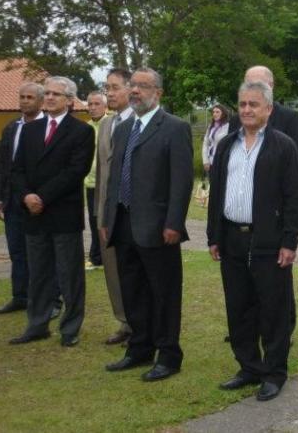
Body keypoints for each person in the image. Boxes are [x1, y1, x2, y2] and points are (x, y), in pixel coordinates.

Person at [207, 81, 298, 401]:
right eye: (243, 104)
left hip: (269, 241)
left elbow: (293, 197)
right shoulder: (226, 145)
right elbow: (216, 192)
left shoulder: (283, 146)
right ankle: (248, 367)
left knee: (273, 309)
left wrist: (289, 241)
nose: (246, 110)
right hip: (231, 238)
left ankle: (274, 373)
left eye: (254, 104)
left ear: (269, 109)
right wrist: (213, 236)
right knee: (239, 306)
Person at [101, 67, 193, 382]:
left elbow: (181, 181)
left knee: (164, 294)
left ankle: (168, 355)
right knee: (133, 290)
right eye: (133, 85)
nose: (136, 90)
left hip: (158, 227)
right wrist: (108, 218)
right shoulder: (124, 128)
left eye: (143, 85)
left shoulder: (175, 128)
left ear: (158, 93)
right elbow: (114, 179)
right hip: (124, 223)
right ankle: (139, 348)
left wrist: (174, 223)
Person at [9, 77, 95, 347]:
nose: (49, 97)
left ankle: (70, 328)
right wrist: (26, 196)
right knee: (38, 273)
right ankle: (37, 325)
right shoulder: (30, 130)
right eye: (46, 93)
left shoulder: (81, 132)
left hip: (63, 214)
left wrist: (42, 197)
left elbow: (76, 171)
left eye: (56, 94)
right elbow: (17, 169)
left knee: (70, 275)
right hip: (34, 215)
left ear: (69, 100)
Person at [0, 82, 44, 314]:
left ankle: (45, 298)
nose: (24, 101)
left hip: (38, 202)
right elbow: (2, 166)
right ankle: (20, 296)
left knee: (41, 254)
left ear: (40, 101)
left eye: (30, 97)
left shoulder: (48, 127)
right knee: (17, 251)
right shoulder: (11, 128)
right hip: (12, 202)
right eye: (22, 97)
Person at [95, 68, 135, 345]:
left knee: (134, 271)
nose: (109, 93)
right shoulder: (106, 125)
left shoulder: (140, 123)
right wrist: (100, 214)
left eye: (114, 87)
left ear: (131, 89)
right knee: (112, 269)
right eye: (106, 87)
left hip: (131, 211)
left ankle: (141, 322)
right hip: (107, 212)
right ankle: (124, 321)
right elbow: (102, 173)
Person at [228, 65, 298, 159]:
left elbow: (295, 160)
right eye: (248, 84)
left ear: (271, 86)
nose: (251, 89)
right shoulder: (236, 120)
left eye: (257, 85)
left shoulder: (289, 118)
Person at [84, 91, 107, 267]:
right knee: (94, 221)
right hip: (90, 183)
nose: (92, 107)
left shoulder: (112, 124)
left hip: (107, 183)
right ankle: (96, 256)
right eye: (90, 104)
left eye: (96, 104)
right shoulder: (86, 128)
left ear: (105, 106)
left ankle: (106, 255)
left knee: (106, 220)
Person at [201, 104, 230, 173]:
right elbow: (205, 144)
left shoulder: (228, 127)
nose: (214, 114)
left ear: (223, 113)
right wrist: (205, 161)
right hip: (211, 161)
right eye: (213, 112)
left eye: (217, 112)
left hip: (223, 162)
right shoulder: (211, 127)